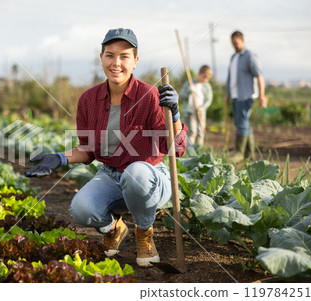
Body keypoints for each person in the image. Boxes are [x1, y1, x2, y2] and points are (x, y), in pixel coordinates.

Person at [25, 28, 188, 267]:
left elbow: (174, 148)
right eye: (110, 55)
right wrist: (60, 158)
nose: (116, 63)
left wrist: (174, 114)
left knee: (136, 173)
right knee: (81, 209)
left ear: (135, 61)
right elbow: (88, 149)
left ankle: (144, 233)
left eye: (124, 56)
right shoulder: (88, 100)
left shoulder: (151, 96)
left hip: (150, 178)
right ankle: (115, 229)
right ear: (101, 58)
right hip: (111, 176)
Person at [224, 31, 267, 162]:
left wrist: (262, 95)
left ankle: (239, 153)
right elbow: (230, 78)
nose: (234, 46)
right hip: (235, 95)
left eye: (236, 43)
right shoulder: (233, 57)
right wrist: (228, 94)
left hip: (246, 95)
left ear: (242, 40)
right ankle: (250, 155)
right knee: (243, 123)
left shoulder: (250, 56)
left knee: (242, 123)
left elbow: (259, 76)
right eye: (232, 43)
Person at [180, 65, 213, 146]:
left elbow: (208, 99)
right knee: (191, 132)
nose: (206, 80)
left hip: (200, 112)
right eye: (204, 77)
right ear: (199, 73)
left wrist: (202, 108)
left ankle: (199, 149)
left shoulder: (206, 86)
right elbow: (181, 96)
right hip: (189, 111)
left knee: (200, 132)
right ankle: (190, 151)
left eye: (208, 78)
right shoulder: (189, 83)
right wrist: (189, 91)